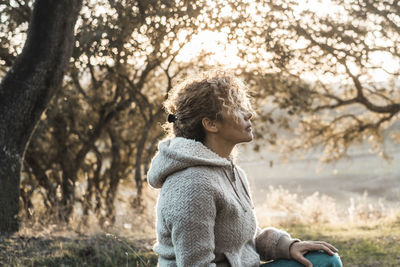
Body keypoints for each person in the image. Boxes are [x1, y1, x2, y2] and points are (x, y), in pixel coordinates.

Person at [147, 72, 342, 267]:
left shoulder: (229, 170)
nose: (249, 114)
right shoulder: (192, 184)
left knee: (324, 261)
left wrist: (287, 246)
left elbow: (242, 239)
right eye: (236, 108)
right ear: (211, 124)